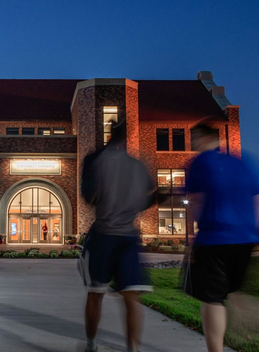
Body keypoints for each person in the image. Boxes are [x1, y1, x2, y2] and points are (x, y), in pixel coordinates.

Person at [185, 123, 259, 352]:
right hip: (245, 238)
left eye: (193, 138)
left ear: (202, 139)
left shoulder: (200, 162)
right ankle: (245, 305)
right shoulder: (242, 163)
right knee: (231, 289)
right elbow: (258, 201)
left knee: (212, 300)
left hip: (214, 238)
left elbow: (196, 201)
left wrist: (194, 237)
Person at [79, 121, 155, 352]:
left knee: (95, 293)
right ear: (127, 138)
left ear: (110, 135)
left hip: (102, 235)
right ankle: (132, 348)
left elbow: (88, 197)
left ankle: (91, 344)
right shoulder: (138, 166)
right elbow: (151, 197)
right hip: (128, 238)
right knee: (131, 298)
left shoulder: (95, 161)